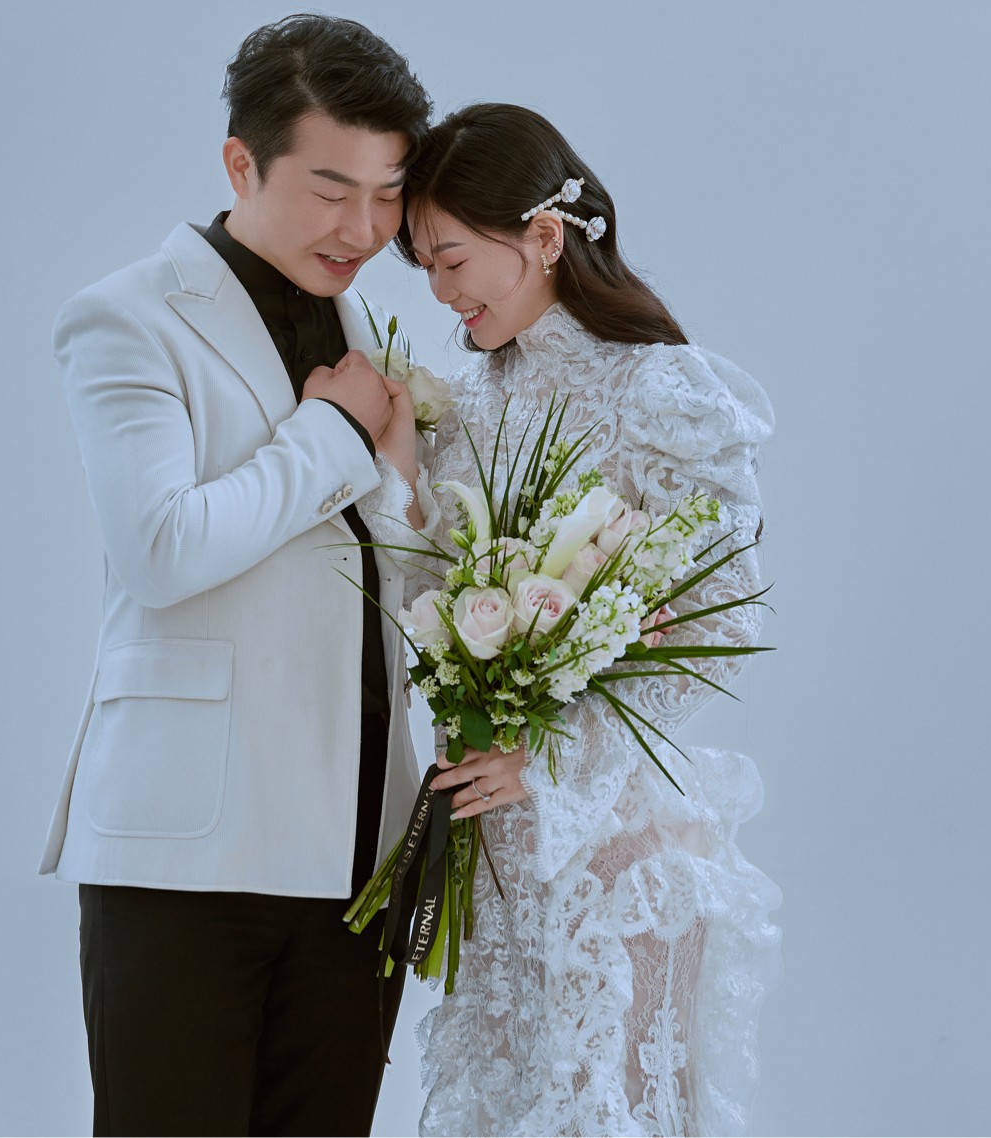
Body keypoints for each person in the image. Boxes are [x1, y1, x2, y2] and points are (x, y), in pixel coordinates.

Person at [37, 16, 433, 1136]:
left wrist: (404, 489)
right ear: (240, 164)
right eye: (330, 190)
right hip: (188, 853)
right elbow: (161, 550)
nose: (364, 229)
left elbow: (393, 584)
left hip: (357, 852)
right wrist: (330, 435)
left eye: (389, 194)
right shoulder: (126, 317)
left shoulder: (368, 332)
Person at [369, 104, 783, 1137]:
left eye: (451, 259)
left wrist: (550, 751)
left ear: (545, 235)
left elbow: (720, 619)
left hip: (616, 851)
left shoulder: (661, 390)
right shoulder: (466, 405)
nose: (439, 291)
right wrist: (397, 468)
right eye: (422, 265)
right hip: (493, 856)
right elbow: (423, 599)